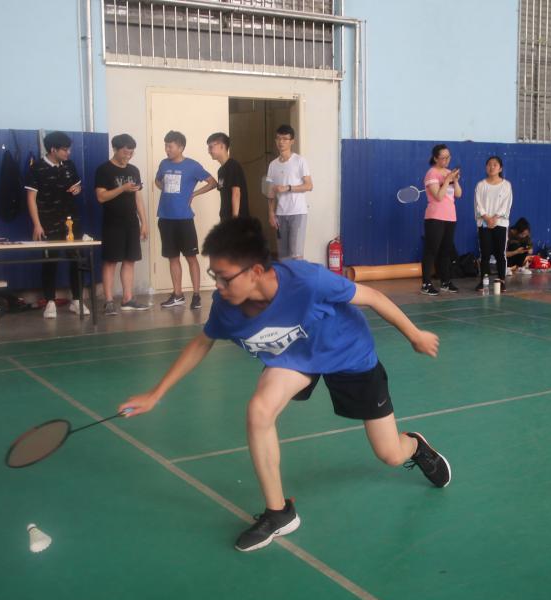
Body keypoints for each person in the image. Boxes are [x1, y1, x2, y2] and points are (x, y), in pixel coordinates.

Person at [119, 217, 452, 553]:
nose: (218, 286)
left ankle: (416, 447)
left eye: (224, 277)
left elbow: (373, 297)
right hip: (296, 357)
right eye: (213, 275)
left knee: (389, 454)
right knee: (259, 410)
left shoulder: (308, 281)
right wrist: (156, 393)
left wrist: (415, 335)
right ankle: (279, 513)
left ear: (255, 271)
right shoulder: (227, 307)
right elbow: (201, 343)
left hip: (347, 351)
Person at [26, 130, 90, 319]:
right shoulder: (36, 168)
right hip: (47, 222)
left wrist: (78, 189)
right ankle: (50, 302)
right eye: (64, 149)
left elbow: (77, 186)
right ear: (53, 149)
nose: (68, 152)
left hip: (71, 222)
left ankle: (77, 300)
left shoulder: (69, 165)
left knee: (76, 260)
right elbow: (31, 199)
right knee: (50, 261)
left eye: (68, 149)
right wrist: (37, 225)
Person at [154, 130, 218, 310]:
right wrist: (164, 187)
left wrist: (194, 194)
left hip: (184, 219)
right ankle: (178, 295)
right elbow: (157, 181)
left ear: (180, 147)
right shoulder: (164, 164)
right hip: (165, 218)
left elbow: (213, 182)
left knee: (191, 257)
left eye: (170, 146)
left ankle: (196, 295)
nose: (167, 149)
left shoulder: (192, 166)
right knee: (172, 257)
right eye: (166, 146)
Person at [95, 133, 150, 315]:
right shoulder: (104, 170)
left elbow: (138, 198)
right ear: (115, 149)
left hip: (131, 222)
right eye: (125, 152)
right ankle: (109, 301)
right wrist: (122, 188)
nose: (128, 156)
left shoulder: (134, 170)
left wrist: (144, 222)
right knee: (110, 261)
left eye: (131, 152)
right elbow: (101, 197)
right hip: (112, 223)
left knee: (129, 260)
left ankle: (128, 299)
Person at [267, 124, 312, 260]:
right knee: (283, 256)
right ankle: (286, 275)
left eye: (285, 139)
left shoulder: (299, 161)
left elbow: (309, 185)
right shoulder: (273, 165)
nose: (281, 142)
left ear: (292, 141)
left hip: (297, 212)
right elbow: (270, 192)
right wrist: (271, 213)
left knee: (296, 254)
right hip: (280, 214)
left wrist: (288, 187)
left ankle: (299, 275)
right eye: (278, 138)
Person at [421, 144, 462, 295]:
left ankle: (445, 281)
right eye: (443, 157)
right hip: (435, 217)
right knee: (431, 250)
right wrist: (446, 180)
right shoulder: (431, 174)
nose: (446, 160)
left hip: (450, 217)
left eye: (448, 157)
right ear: (435, 158)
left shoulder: (448, 173)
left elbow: (458, 194)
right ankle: (426, 284)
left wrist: (454, 180)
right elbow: (438, 196)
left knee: (446, 251)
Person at [473, 156, 513, 292]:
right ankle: (483, 281)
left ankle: (501, 280)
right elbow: (478, 204)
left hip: (500, 223)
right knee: (484, 253)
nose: (492, 167)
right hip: (484, 224)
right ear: (486, 167)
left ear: (500, 168)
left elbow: (506, 204)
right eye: (489, 164)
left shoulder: (506, 185)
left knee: (500, 253)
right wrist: (486, 218)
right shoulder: (481, 185)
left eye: (495, 165)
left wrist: (495, 218)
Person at [207, 132, 250, 221]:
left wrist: (234, 219)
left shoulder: (233, 166)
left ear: (222, 146)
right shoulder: (221, 171)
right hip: (225, 217)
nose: (209, 151)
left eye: (211, 147)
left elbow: (236, 193)